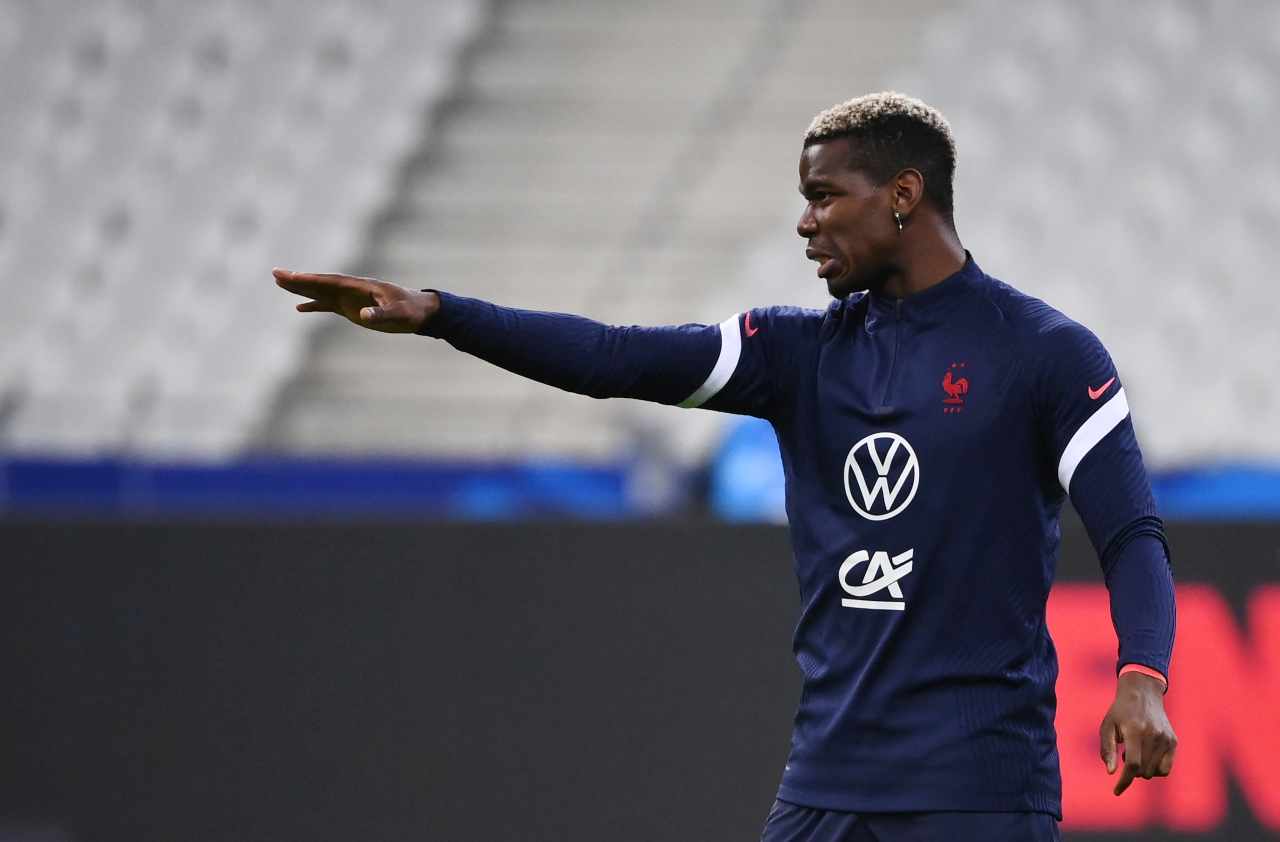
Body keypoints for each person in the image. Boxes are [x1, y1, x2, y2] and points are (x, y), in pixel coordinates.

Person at [274, 91, 1176, 842]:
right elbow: (614, 356)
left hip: (976, 795)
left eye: (825, 197)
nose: (804, 221)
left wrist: (1141, 675)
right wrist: (438, 312)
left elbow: (1131, 532)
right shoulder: (797, 355)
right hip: (825, 787)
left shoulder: (1044, 353)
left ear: (903, 195)